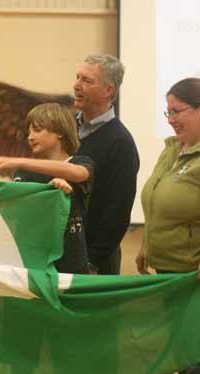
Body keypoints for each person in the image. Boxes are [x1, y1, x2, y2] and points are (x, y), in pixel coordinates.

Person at [137, 77, 200, 374]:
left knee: (197, 367)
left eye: (178, 111)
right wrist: (146, 241)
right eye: (167, 112)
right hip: (168, 276)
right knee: (184, 362)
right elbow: (156, 199)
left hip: (196, 278)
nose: (171, 119)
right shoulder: (172, 149)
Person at [0, 102, 94, 274]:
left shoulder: (81, 162)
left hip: (72, 264)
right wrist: (47, 193)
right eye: (29, 132)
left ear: (60, 132)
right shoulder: (25, 172)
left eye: (37, 130)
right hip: (34, 263)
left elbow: (79, 174)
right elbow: (18, 204)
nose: (30, 137)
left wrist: (18, 160)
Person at [73, 54, 139, 276]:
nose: (76, 85)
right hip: (61, 252)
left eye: (87, 80)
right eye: (77, 77)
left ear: (108, 90)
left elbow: (118, 211)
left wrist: (93, 261)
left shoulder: (121, 142)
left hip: (95, 262)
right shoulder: (66, 128)